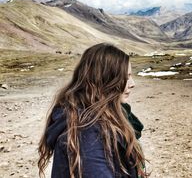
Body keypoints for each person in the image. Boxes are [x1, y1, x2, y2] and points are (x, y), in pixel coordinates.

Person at [38, 43, 148, 178]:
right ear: (106, 80)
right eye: (126, 77)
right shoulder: (88, 130)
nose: (132, 84)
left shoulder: (104, 116)